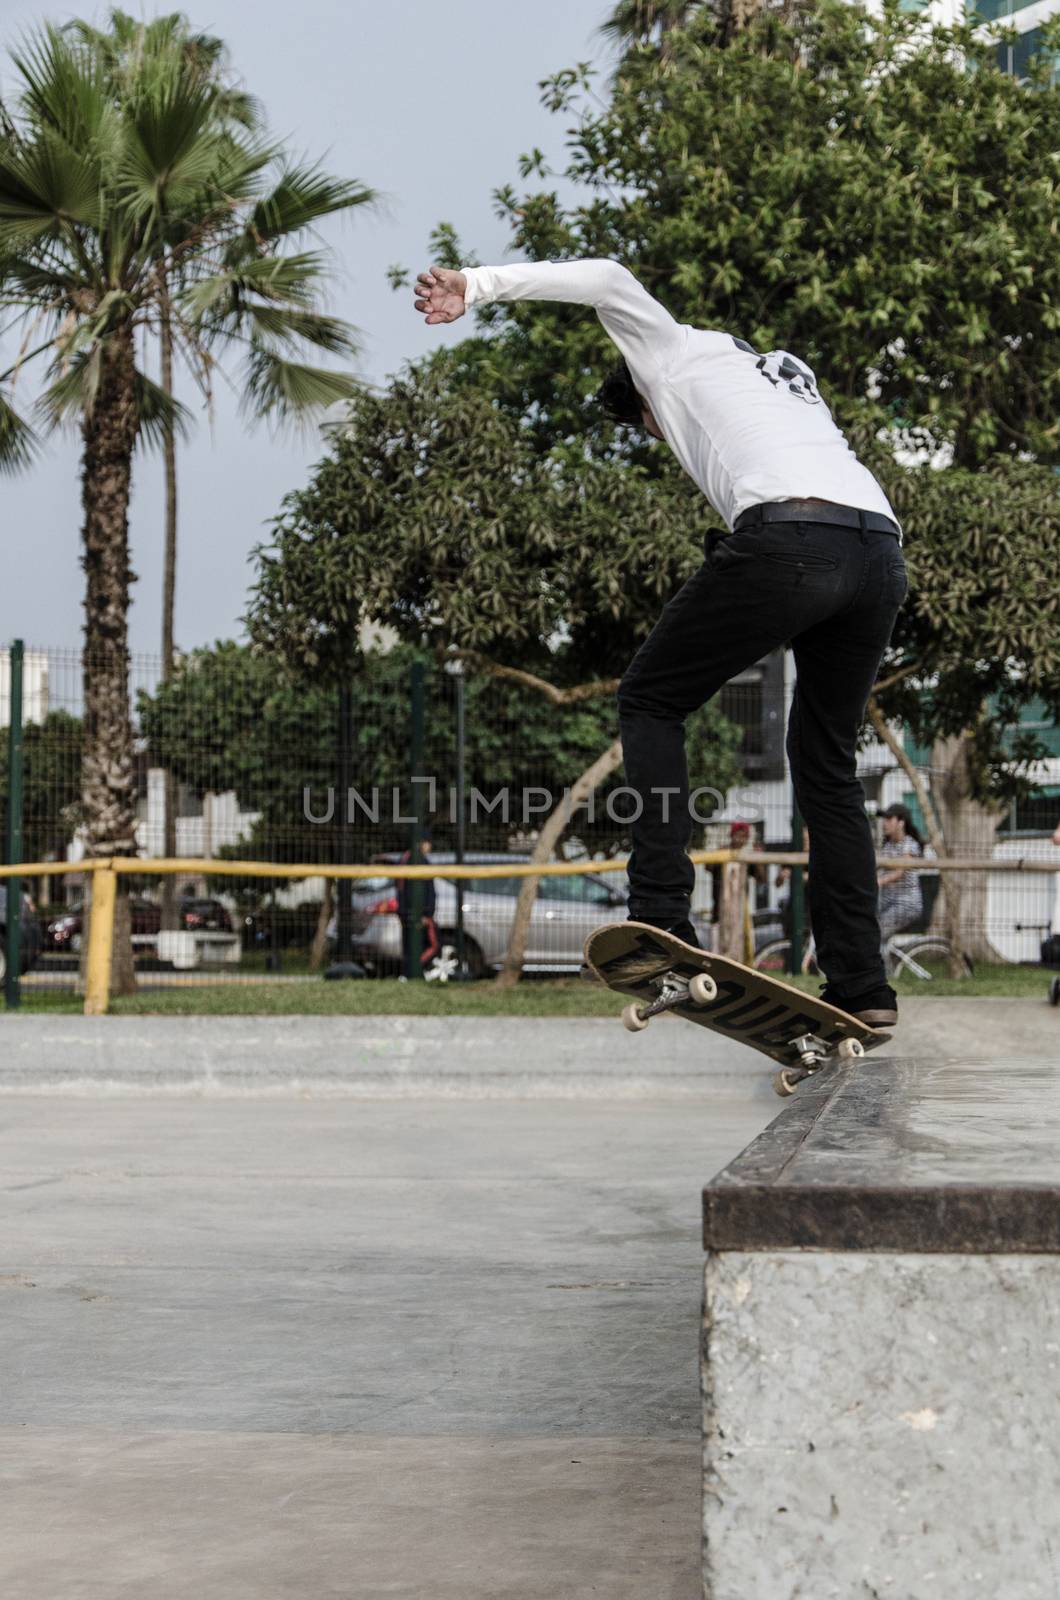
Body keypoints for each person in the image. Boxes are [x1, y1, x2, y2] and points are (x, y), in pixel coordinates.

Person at [414, 259, 907, 1026]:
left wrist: (474, 287)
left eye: (646, 425)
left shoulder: (666, 350)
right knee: (827, 768)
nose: (660, 438)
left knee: (649, 698)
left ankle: (663, 921)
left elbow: (608, 279)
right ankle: (864, 988)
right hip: (879, 552)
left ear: (643, 395)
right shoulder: (782, 375)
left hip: (792, 537)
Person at [877, 804, 924, 945]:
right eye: (884, 819)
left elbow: (900, 872)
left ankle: (881, 967)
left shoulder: (909, 844)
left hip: (906, 904)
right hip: (887, 903)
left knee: (875, 935)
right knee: (874, 935)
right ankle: (886, 966)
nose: (885, 823)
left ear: (901, 822)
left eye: (889, 819)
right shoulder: (888, 845)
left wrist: (878, 881)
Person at [396, 837, 439, 978]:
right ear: (421, 843)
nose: (429, 847)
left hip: (408, 913)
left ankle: (411, 973)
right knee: (432, 946)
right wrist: (427, 914)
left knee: (412, 947)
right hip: (416, 914)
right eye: (428, 843)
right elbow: (423, 891)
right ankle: (412, 972)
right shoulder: (415, 860)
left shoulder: (406, 859)